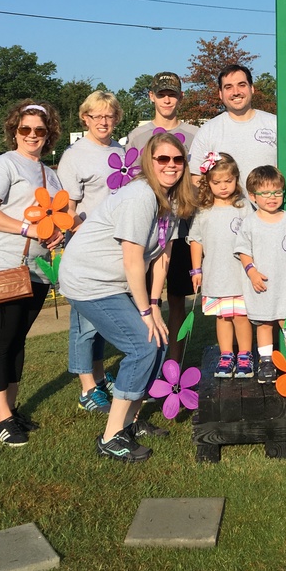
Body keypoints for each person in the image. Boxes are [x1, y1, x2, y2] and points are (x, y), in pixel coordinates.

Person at [58, 133, 196, 463]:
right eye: (163, 159)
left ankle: (130, 421)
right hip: (89, 280)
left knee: (158, 341)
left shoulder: (173, 200)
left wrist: (155, 306)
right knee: (143, 345)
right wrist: (145, 312)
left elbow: (162, 256)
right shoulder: (141, 197)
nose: (171, 166)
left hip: (112, 282)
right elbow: (133, 260)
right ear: (149, 162)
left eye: (177, 160)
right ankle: (110, 436)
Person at [0, 100, 65, 447]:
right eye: (25, 128)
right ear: (14, 131)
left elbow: (52, 217)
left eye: (40, 130)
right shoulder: (3, 164)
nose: (32, 135)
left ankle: (11, 410)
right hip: (2, 266)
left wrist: (56, 234)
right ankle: (2, 419)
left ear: (49, 134)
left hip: (37, 270)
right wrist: (28, 229)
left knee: (17, 340)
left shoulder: (49, 174)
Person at [57, 90, 125, 414]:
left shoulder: (121, 152)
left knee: (101, 322)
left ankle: (98, 377)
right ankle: (86, 388)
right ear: (85, 118)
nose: (103, 121)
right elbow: (67, 210)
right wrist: (82, 234)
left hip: (114, 250)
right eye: (96, 115)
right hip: (85, 251)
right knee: (84, 322)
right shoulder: (74, 155)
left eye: (109, 115)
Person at [125, 72, 198, 363]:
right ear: (151, 96)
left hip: (181, 230)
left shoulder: (195, 135)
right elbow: (129, 182)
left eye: (172, 94)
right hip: (146, 233)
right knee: (144, 300)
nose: (167, 99)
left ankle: (174, 364)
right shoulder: (137, 136)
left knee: (177, 300)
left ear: (181, 97)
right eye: (161, 94)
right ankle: (148, 361)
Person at [234, 165, 286, 384]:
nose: (272, 197)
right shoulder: (249, 223)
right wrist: (252, 273)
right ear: (252, 196)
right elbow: (243, 252)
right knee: (264, 324)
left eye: (277, 192)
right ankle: (266, 361)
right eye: (265, 193)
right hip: (262, 286)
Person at [188, 152, 254, 378]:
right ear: (208, 183)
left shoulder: (244, 206)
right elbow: (196, 240)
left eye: (228, 181)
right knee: (222, 316)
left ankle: (245, 355)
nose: (223, 186)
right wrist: (196, 270)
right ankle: (226, 355)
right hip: (216, 274)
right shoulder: (203, 210)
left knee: (241, 316)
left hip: (240, 275)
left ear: (236, 179)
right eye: (217, 182)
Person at [188, 64, 282, 192]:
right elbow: (196, 179)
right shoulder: (207, 131)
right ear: (220, 94)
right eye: (228, 87)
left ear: (252, 88)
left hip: (270, 204)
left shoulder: (276, 124)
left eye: (242, 85)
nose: (236, 92)